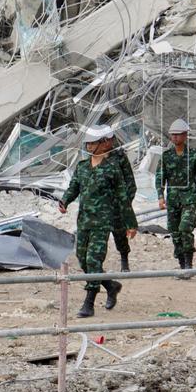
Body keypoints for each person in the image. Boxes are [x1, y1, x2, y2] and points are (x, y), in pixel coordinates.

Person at [59, 127, 129, 318]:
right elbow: (73, 187)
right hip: (84, 221)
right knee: (83, 260)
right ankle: (110, 285)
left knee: (94, 259)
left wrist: (130, 223)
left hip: (102, 222)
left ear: (101, 144)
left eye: (92, 143)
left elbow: (123, 197)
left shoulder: (112, 168)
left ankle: (89, 303)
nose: (89, 146)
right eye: (87, 143)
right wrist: (64, 200)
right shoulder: (82, 167)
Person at [155, 119, 196, 271]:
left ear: (185, 136)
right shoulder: (166, 156)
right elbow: (160, 178)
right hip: (172, 199)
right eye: (173, 135)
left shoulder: (194, 156)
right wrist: (160, 196)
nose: (175, 138)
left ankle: (188, 262)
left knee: (185, 228)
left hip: (189, 198)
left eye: (178, 135)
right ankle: (181, 262)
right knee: (174, 232)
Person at [103, 126, 138, 272]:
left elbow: (130, 183)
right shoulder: (93, 158)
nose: (107, 143)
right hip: (101, 206)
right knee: (98, 238)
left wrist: (125, 202)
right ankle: (96, 265)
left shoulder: (119, 157)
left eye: (109, 140)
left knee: (120, 236)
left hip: (118, 205)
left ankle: (124, 261)